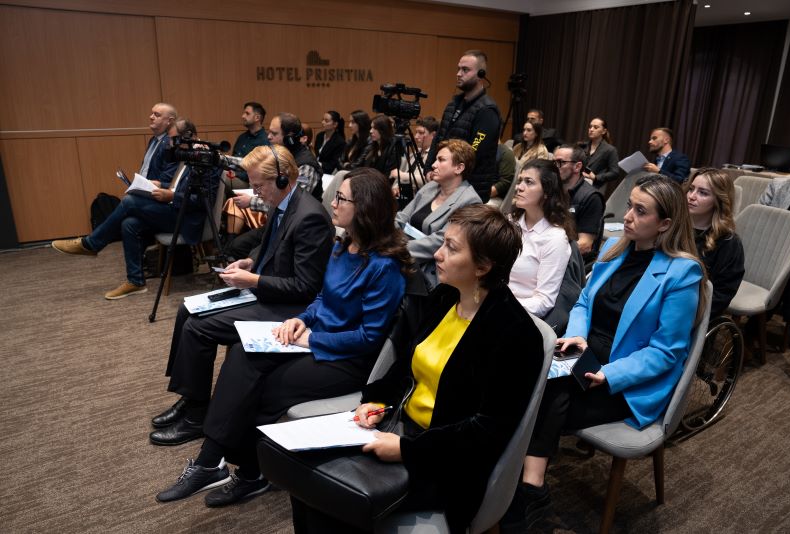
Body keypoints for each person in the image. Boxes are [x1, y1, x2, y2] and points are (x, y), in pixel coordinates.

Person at [154, 168, 413, 506]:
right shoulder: (343, 243)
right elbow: (322, 298)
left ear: (365, 207)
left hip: (348, 360)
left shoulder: (385, 266)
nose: (332, 202)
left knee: (266, 388)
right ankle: (219, 463)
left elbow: (369, 338)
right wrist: (300, 319)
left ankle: (237, 469)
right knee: (240, 353)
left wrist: (312, 340)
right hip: (317, 338)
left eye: (340, 198)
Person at [291, 204, 544, 533]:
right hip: (399, 429)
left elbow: (487, 433)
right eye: (443, 243)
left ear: (483, 266)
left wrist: (408, 451)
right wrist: (377, 401)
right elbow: (404, 371)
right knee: (307, 480)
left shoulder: (515, 334)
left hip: (447, 464)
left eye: (451, 248)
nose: (437, 254)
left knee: (330, 502)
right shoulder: (444, 298)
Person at [503, 175, 705, 531]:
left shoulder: (682, 273)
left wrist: (610, 374)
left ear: (665, 224)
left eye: (640, 211)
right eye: (630, 205)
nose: (627, 216)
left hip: (627, 380)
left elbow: (665, 353)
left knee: (543, 393)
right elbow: (583, 301)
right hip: (586, 355)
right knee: (526, 379)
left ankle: (528, 488)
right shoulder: (616, 248)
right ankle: (529, 488)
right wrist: (578, 336)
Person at [149, 144, 334, 446]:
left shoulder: (309, 217)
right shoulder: (283, 203)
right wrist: (251, 262)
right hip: (268, 292)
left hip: (289, 308)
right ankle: (190, 396)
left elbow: (306, 287)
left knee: (198, 329)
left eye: (259, 185)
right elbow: (270, 244)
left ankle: (196, 415)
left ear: (284, 179)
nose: (255, 192)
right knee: (186, 311)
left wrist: (254, 279)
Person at [51, 113, 220, 300]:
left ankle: (91, 244)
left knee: (130, 202)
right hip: (174, 210)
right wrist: (162, 186)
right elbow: (181, 186)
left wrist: (172, 195)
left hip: (188, 219)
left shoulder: (207, 159)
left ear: (189, 137)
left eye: (173, 140)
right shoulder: (187, 155)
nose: (169, 145)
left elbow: (204, 201)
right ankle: (136, 281)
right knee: (129, 223)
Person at [224, 112, 323, 258]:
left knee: (241, 248)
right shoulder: (280, 155)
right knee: (236, 246)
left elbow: (292, 205)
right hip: (277, 221)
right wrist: (222, 159)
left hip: (294, 228)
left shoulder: (306, 165)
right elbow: (252, 163)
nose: (268, 137)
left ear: (289, 138)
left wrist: (251, 202)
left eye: (274, 133)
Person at [394, 139, 482, 289]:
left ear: (459, 168)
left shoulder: (470, 201)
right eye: (435, 159)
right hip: (401, 253)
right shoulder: (431, 187)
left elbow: (441, 241)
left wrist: (395, 250)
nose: (433, 165)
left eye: (441, 160)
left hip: (430, 269)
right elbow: (401, 218)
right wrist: (384, 239)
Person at [425, 50, 501, 202]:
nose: (459, 74)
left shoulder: (487, 111)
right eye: (458, 69)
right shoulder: (453, 104)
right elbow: (438, 140)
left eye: (465, 70)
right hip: (446, 184)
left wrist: (443, 173)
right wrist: (429, 168)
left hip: (470, 190)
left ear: (480, 74)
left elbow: (473, 153)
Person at [508, 159, 575, 319]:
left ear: (546, 192)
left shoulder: (554, 238)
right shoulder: (510, 222)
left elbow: (544, 301)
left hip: (518, 316)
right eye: (520, 181)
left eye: (529, 182)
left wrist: (500, 305)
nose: (519, 187)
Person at [685, 168, 745, 316]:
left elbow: (721, 295)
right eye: (691, 189)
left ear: (718, 200)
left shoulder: (728, 242)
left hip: (692, 312)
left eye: (703, 193)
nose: (691, 196)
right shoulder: (673, 225)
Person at [758, 153, 790, 349]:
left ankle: (753, 328)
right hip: (772, 248)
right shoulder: (779, 185)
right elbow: (759, 214)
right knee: (786, 266)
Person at [554, 144, 605, 262]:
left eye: (560, 162)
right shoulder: (550, 190)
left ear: (577, 167)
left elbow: (585, 245)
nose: (555, 167)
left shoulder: (592, 198)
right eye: (553, 163)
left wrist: (550, 253)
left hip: (570, 261)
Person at [223, 102, 269, 193]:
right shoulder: (242, 137)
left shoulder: (265, 141)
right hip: (233, 175)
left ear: (257, 118)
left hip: (248, 181)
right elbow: (233, 160)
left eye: (247, 113)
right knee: (215, 176)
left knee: (218, 179)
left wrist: (236, 174)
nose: (243, 116)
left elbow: (260, 171)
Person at [390, 116, 438, 198]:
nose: (416, 136)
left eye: (421, 133)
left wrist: (402, 175)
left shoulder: (436, 156)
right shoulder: (415, 152)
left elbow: (429, 179)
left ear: (433, 135)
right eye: (416, 132)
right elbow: (401, 174)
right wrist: (395, 188)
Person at [581, 117, 620, 193]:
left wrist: (596, 177)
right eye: (590, 127)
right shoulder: (582, 146)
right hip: (578, 184)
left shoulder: (610, 150)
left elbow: (615, 173)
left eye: (595, 127)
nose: (591, 129)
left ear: (604, 131)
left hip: (595, 189)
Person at [364, 114, 399, 179]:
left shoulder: (394, 147)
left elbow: (389, 175)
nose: (371, 131)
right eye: (371, 127)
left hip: (382, 184)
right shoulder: (373, 146)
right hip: (369, 181)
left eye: (375, 128)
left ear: (383, 130)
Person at [314, 110, 346, 174]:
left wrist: (317, 164)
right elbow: (316, 154)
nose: (323, 122)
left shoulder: (340, 142)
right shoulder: (319, 136)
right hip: (316, 169)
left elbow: (332, 165)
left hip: (328, 172)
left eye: (326, 121)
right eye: (322, 119)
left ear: (335, 124)